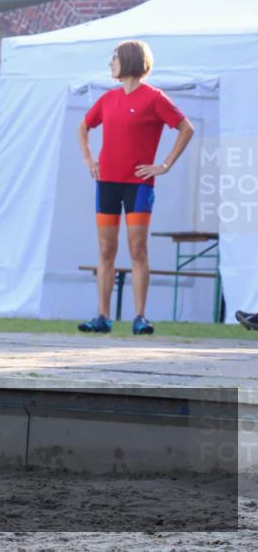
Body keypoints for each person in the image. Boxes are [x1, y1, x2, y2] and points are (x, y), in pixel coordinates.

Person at [77, 40, 195, 335]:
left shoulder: (154, 98)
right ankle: (102, 317)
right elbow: (83, 127)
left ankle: (140, 316)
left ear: (128, 61)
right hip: (107, 183)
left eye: (114, 59)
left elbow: (186, 128)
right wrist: (89, 158)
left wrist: (164, 164)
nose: (110, 64)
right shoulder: (108, 99)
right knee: (106, 249)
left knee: (137, 249)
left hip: (139, 185)